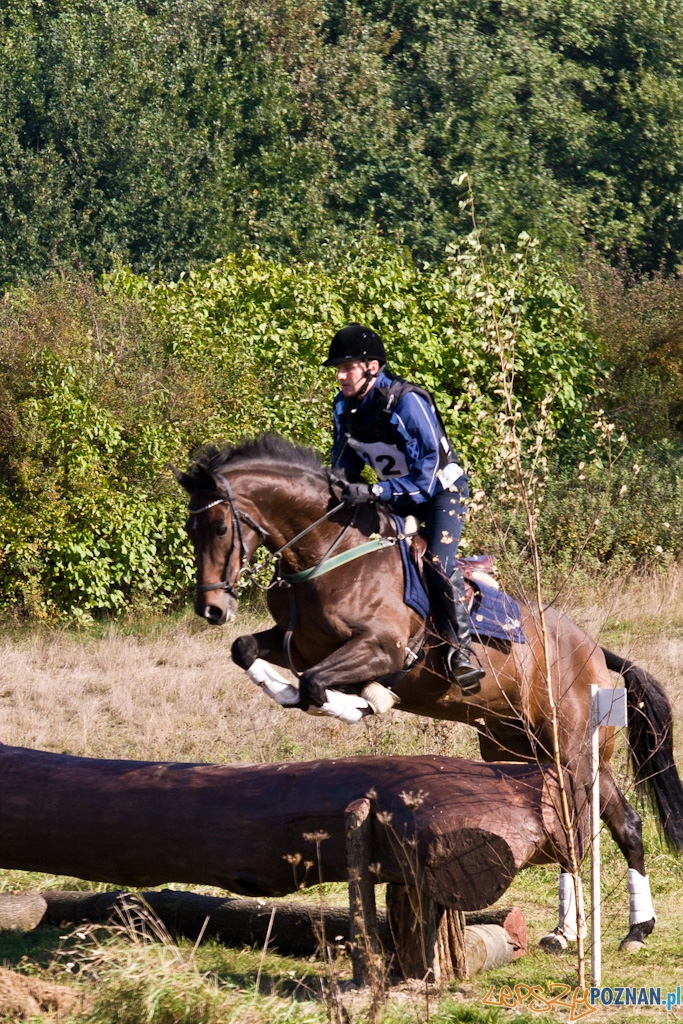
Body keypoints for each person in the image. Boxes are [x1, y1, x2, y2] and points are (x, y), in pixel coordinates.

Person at [323, 322, 485, 694]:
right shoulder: (343, 407)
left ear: (372, 367)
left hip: (442, 493)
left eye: (347, 366)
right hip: (394, 495)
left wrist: (374, 490)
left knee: (437, 562)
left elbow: (427, 478)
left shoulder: (408, 402)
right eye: (339, 367)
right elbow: (343, 464)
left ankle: (461, 653)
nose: (340, 374)